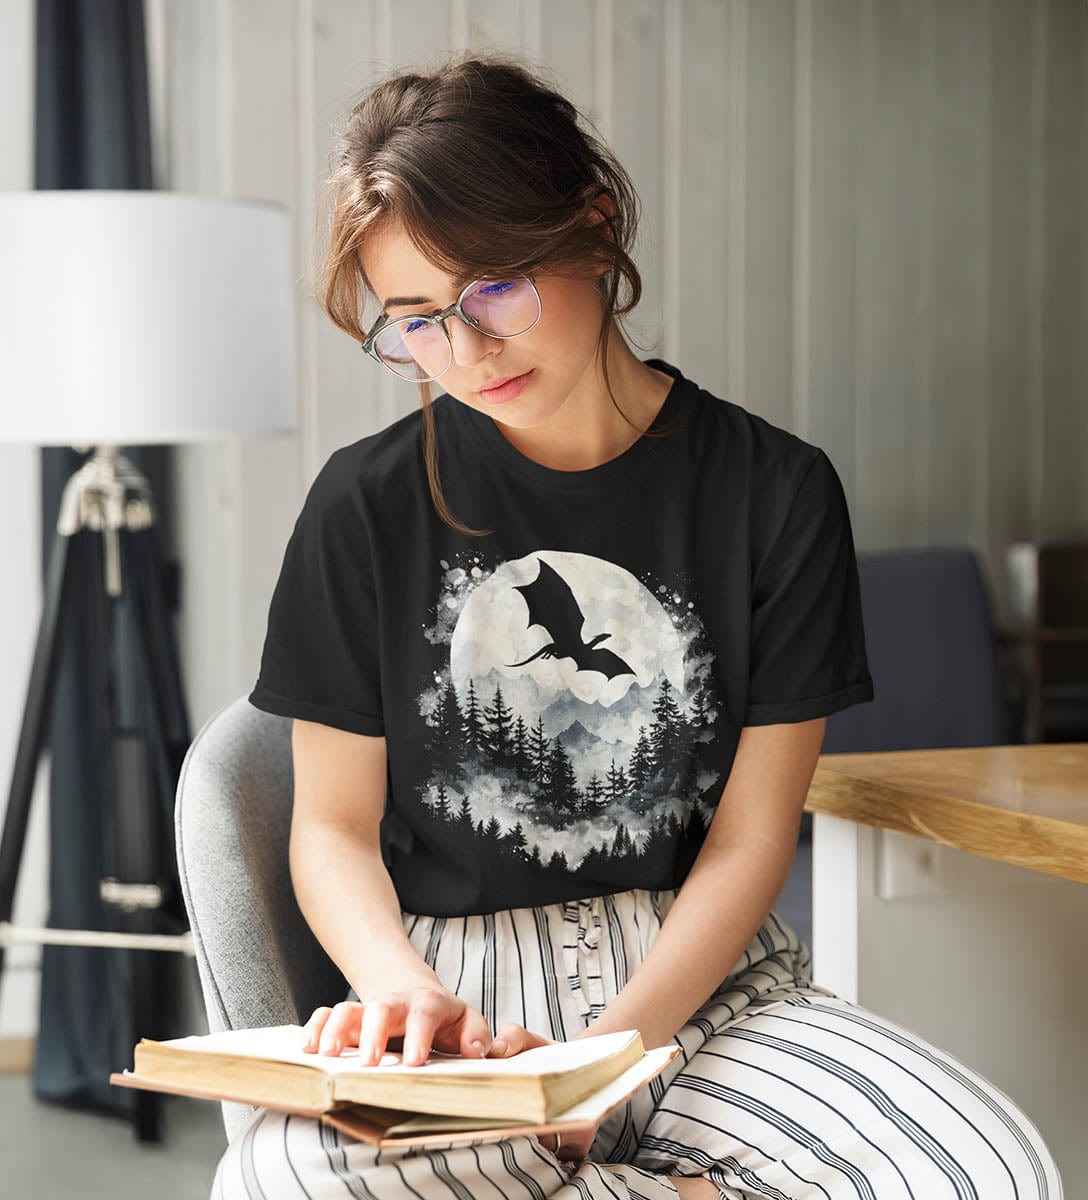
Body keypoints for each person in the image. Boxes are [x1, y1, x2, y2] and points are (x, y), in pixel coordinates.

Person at [211, 49, 1063, 1200]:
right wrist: (398, 987)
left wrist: (619, 1047)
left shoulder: (775, 490)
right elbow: (331, 828)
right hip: (460, 996)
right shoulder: (364, 505)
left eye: (494, 289)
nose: (463, 354)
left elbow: (755, 837)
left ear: (592, 222)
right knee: (292, 1186)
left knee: (987, 1172)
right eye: (415, 321)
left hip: (712, 994)